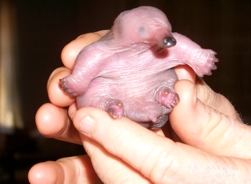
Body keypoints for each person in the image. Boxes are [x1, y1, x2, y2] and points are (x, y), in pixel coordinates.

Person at [28, 30, 251, 183]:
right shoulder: (101, 51)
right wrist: (77, 82)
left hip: (155, 97)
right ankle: (114, 105)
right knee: (96, 94)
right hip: (114, 100)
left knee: (166, 86)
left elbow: (177, 45)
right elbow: (86, 67)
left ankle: (158, 97)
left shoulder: (158, 49)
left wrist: (197, 56)